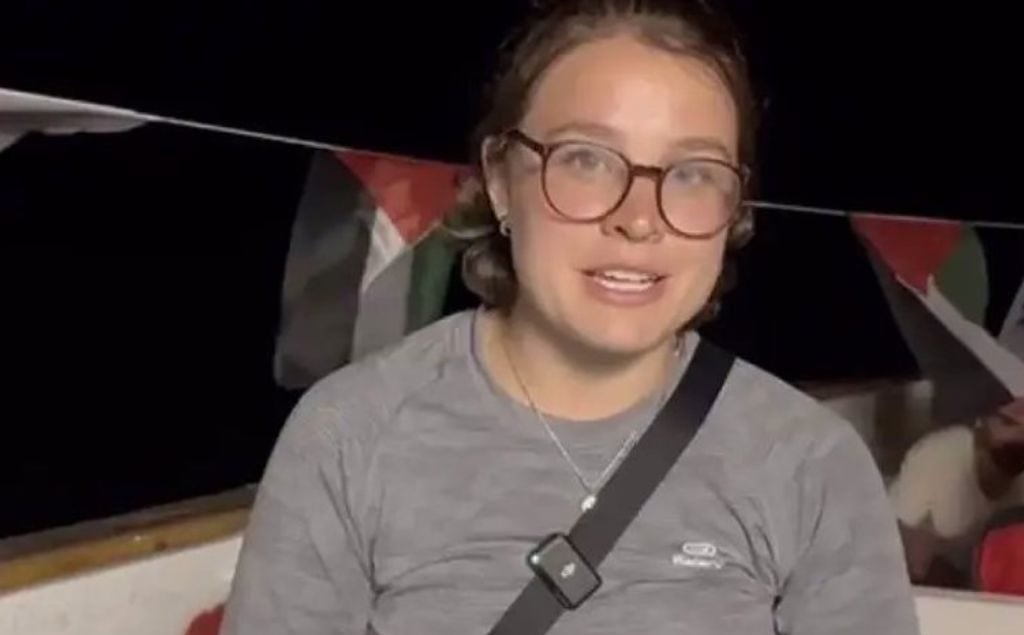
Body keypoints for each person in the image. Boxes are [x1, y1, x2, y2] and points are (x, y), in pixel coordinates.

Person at [221, 1, 919, 633]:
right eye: (586, 160)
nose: (639, 219)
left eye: (693, 173)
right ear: (500, 181)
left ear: (733, 209)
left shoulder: (811, 466)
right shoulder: (349, 438)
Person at [891, 397, 1024, 588]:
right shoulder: (940, 459)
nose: (1019, 432)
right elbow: (913, 565)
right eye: (1010, 423)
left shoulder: (1017, 483)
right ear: (982, 423)